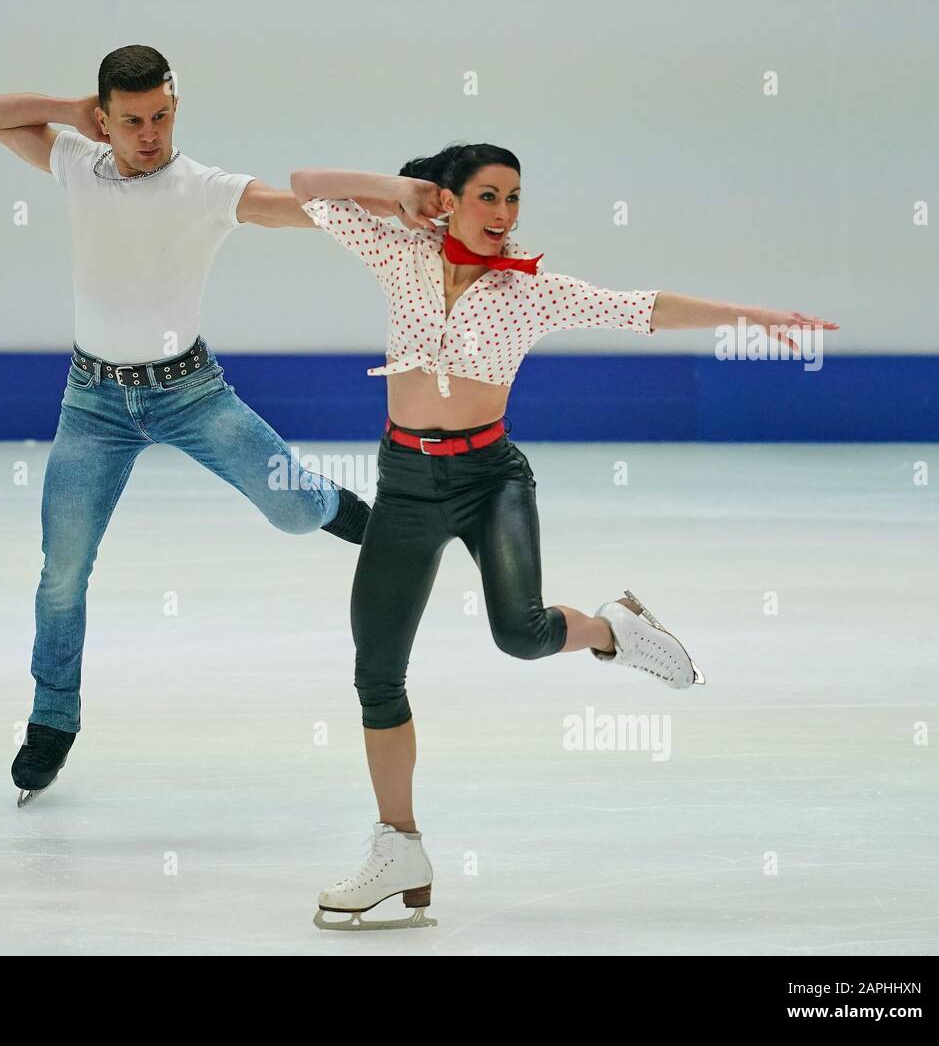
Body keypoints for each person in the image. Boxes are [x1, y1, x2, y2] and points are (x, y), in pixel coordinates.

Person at [292, 144, 839, 929]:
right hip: (406, 482)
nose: (506, 215)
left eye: (515, 199)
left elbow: (644, 308)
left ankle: (612, 628)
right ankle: (400, 845)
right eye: (489, 197)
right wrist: (396, 192)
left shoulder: (532, 291)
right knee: (375, 669)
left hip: (491, 479)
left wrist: (752, 317)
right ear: (446, 200)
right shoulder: (398, 250)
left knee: (519, 634)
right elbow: (308, 185)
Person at [0, 45, 378, 807]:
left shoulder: (201, 187)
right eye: (131, 120)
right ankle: (52, 717)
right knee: (62, 572)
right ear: (105, 117)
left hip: (190, 392)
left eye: (161, 115)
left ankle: (342, 509)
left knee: (294, 512)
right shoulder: (73, 161)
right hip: (92, 404)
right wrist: (74, 115)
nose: (151, 133)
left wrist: (382, 212)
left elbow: (288, 209)